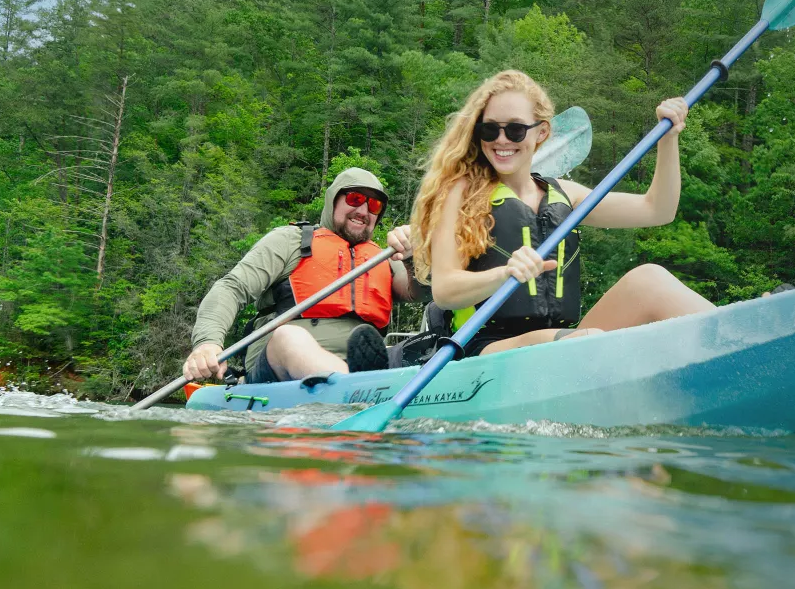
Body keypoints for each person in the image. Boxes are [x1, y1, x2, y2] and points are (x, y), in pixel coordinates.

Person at [386, 70, 714, 357]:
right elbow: (444, 290)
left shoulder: (564, 195)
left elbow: (658, 210)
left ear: (541, 133)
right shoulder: (460, 193)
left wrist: (668, 140)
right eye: (490, 130)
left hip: (563, 343)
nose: (501, 140)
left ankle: (741, 335)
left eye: (515, 130)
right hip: (484, 348)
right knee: (585, 342)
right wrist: (504, 275)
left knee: (649, 280)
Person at [182, 168, 415, 383]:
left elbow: (421, 291)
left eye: (373, 205)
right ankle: (359, 387)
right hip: (280, 366)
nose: (363, 211)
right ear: (332, 200)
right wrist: (208, 343)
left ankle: (370, 383)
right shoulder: (291, 240)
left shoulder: (386, 257)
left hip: (364, 365)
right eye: (354, 199)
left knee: (423, 344)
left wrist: (412, 257)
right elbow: (232, 288)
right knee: (289, 337)